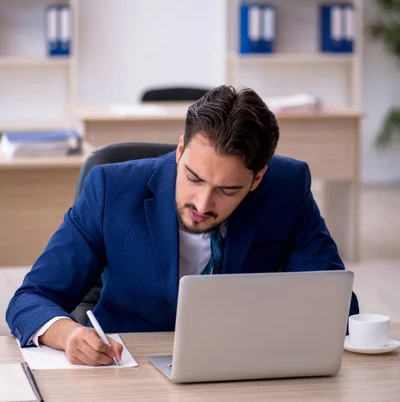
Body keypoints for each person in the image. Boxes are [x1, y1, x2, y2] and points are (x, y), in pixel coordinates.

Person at [6, 85, 359, 365]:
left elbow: (334, 304)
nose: (203, 204)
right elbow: (30, 299)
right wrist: (67, 333)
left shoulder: (287, 187)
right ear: (179, 151)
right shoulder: (110, 190)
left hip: (247, 371)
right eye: (193, 178)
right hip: (128, 373)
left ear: (257, 179)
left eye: (227, 190)